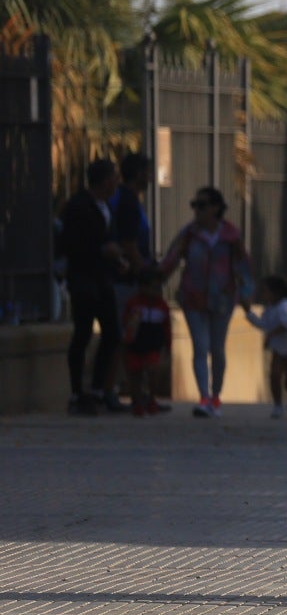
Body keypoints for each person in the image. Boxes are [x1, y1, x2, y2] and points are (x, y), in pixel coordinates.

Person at [159, 186, 254, 418]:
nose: (197, 210)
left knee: (217, 349)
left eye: (202, 205)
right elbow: (172, 258)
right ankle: (204, 397)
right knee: (200, 347)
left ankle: (216, 395)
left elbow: (243, 266)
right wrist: (155, 279)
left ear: (216, 208)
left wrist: (246, 294)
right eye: (195, 205)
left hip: (222, 298)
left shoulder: (231, 236)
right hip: (194, 297)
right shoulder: (189, 234)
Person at [56, 158, 125, 414]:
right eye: (113, 177)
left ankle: (98, 388)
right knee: (83, 333)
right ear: (105, 180)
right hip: (83, 278)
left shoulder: (106, 205)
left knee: (112, 333)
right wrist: (101, 251)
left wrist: (116, 258)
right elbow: (72, 244)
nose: (116, 182)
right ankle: (77, 393)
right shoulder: (79, 206)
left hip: (102, 278)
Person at [109, 153, 156, 408]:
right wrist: (143, 270)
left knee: (127, 335)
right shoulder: (127, 200)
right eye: (148, 172)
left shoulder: (128, 199)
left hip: (127, 278)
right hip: (125, 280)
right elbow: (128, 242)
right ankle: (112, 389)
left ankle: (134, 391)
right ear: (138, 173)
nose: (150, 177)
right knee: (123, 334)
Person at [241, 274, 287, 418]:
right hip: (280, 349)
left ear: (275, 293)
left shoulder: (285, 306)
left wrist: (271, 335)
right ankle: (278, 405)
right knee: (274, 375)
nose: (263, 295)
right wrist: (248, 312)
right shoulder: (270, 310)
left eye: (265, 291)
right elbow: (262, 324)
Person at [119, 268, 172, 417]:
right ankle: (137, 401)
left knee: (153, 371)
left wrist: (167, 345)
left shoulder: (162, 307)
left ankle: (151, 398)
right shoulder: (134, 304)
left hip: (153, 345)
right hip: (135, 345)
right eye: (152, 287)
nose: (155, 291)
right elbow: (126, 323)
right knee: (135, 374)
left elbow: (166, 327)